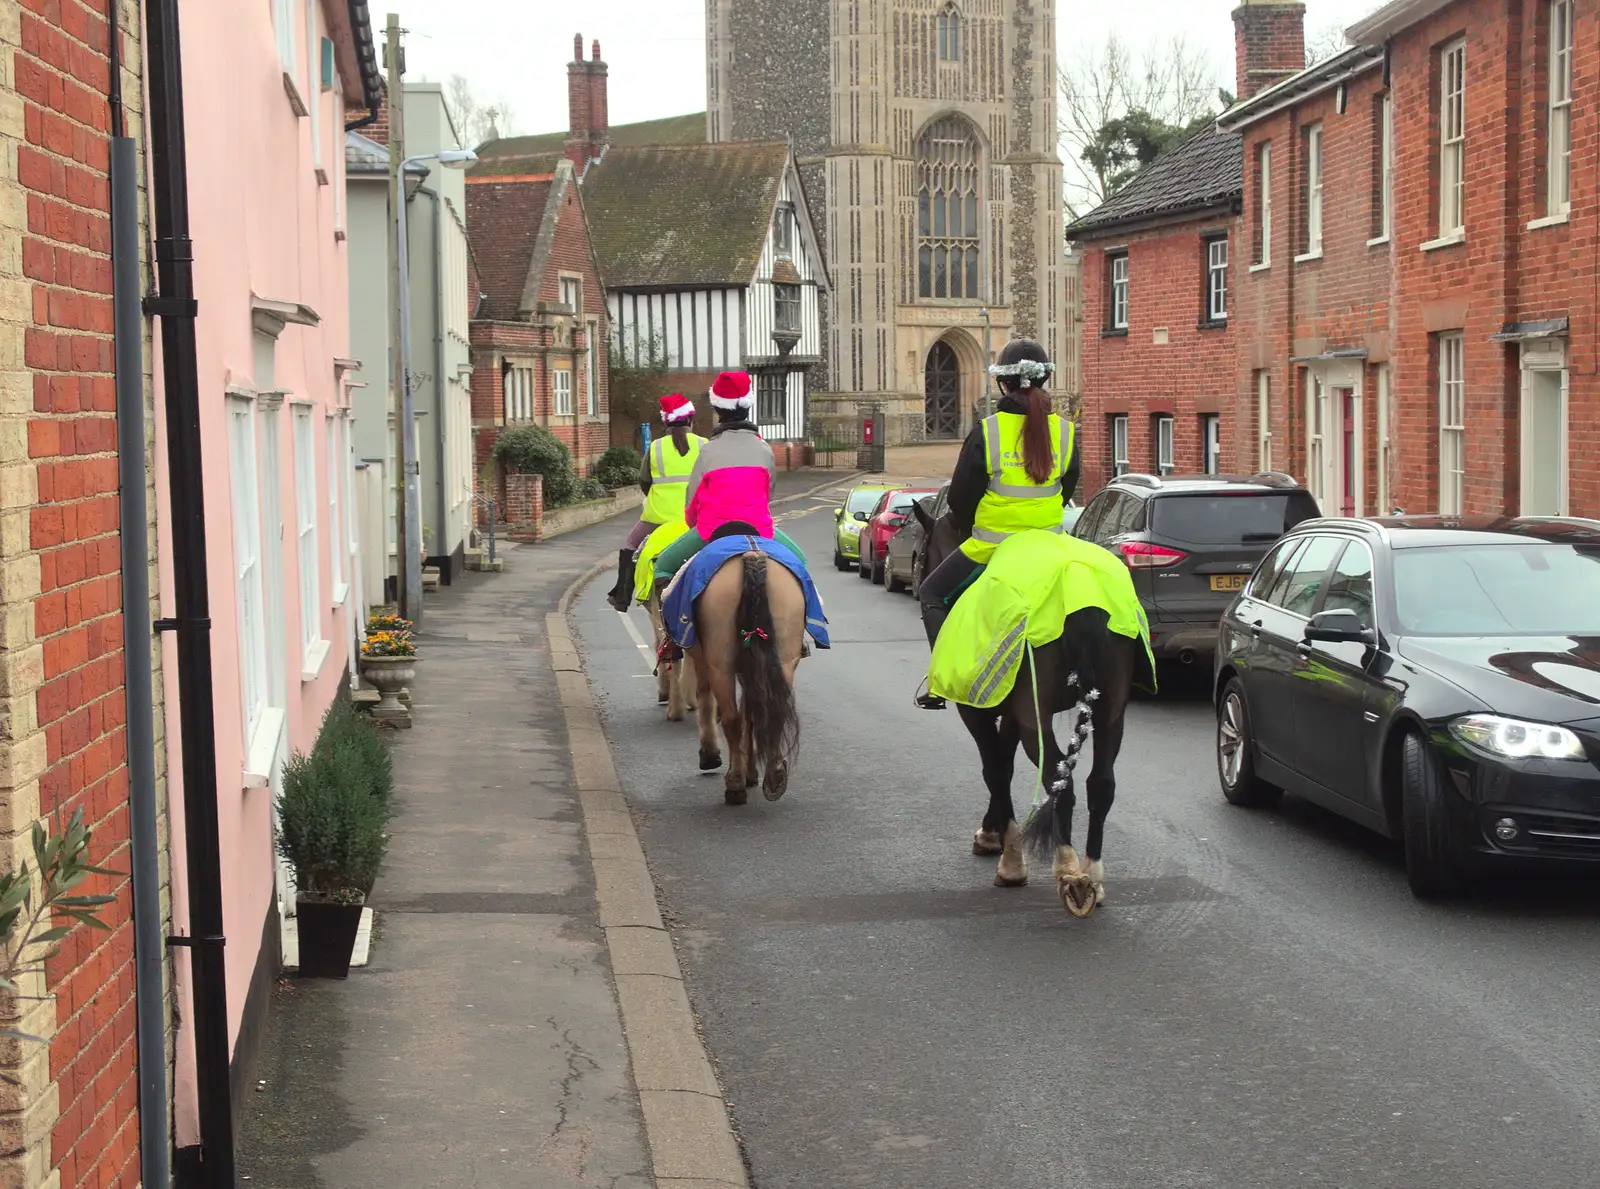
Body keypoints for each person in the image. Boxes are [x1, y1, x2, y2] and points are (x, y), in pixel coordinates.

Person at [915, 337, 1080, 710]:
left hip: (992, 548)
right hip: (1051, 548)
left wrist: (980, 523)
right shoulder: (1067, 432)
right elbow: (1066, 489)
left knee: (931, 593)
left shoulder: (987, 432)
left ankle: (942, 679)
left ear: (1003, 383)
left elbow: (960, 500)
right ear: (1044, 381)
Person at [651, 370, 806, 589]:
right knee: (800, 561)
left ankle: (671, 622)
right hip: (758, 529)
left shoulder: (707, 451)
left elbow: (691, 503)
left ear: (717, 409)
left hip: (711, 530)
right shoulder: (765, 450)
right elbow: (767, 495)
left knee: (663, 565)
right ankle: (811, 620)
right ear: (748, 407)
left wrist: (694, 526)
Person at [604, 393, 705, 612]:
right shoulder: (704, 445)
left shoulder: (656, 447)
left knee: (630, 545)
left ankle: (622, 596)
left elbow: (644, 481)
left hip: (658, 517)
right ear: (690, 420)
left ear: (666, 423)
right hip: (696, 518)